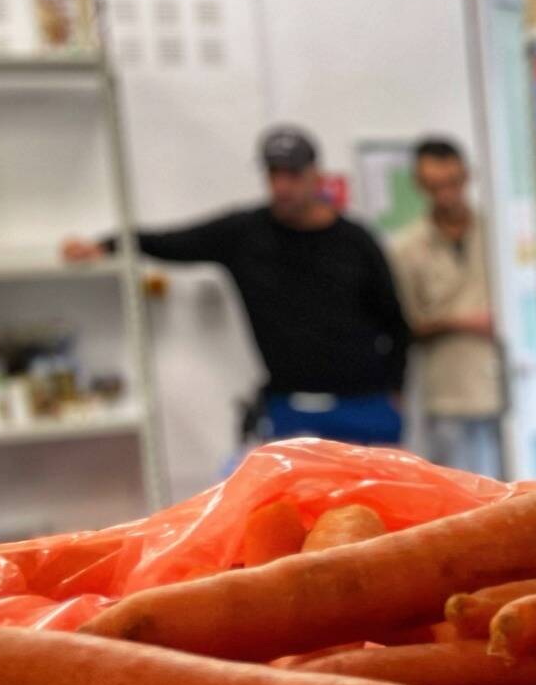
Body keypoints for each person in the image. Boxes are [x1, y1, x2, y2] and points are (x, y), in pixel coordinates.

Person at [63, 125, 410, 446]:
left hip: (366, 404)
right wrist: (108, 244)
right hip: (290, 407)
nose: (282, 186)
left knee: (383, 509)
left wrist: (397, 388)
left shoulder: (356, 240)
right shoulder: (245, 234)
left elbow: (394, 319)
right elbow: (173, 241)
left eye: (293, 174)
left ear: (316, 176)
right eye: (274, 174)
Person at [390, 136, 504, 478]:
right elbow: (405, 325)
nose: (445, 195)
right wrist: (462, 322)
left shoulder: (497, 233)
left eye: (452, 183)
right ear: (419, 185)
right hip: (447, 393)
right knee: (460, 490)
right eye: (434, 186)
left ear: (467, 176)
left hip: (504, 384)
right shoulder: (406, 247)